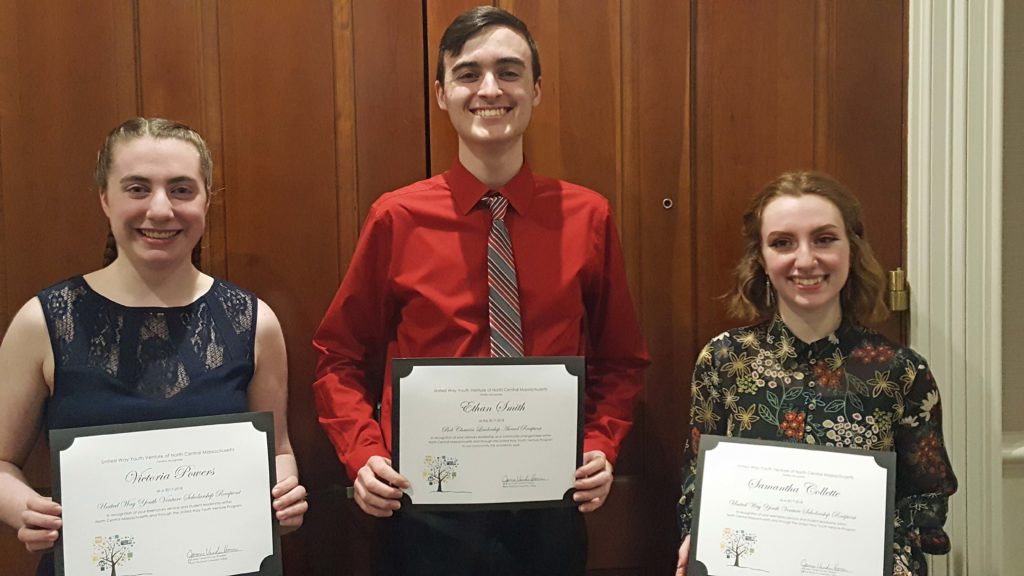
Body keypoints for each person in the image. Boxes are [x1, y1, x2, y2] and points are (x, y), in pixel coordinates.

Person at [313, 6, 649, 575]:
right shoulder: (397, 218)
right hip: (423, 510)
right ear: (441, 93)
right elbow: (338, 358)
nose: (489, 89)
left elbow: (621, 359)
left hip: (548, 506)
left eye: (509, 71)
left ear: (536, 90)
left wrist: (600, 443)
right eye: (468, 73)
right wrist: (362, 455)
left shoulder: (588, 216)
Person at [0, 117, 308, 575]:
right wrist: (24, 508)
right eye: (137, 188)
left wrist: (284, 497)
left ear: (207, 199)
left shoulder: (253, 321)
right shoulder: (43, 321)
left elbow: (277, 450)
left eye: (181, 190)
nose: (161, 210)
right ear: (105, 198)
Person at [675, 171, 957, 575]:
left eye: (824, 239)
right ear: (761, 258)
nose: (805, 260)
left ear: (852, 249)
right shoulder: (723, 361)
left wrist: (889, 557)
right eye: (783, 243)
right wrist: (697, 538)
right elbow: (697, 478)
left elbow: (926, 501)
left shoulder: (902, 372)